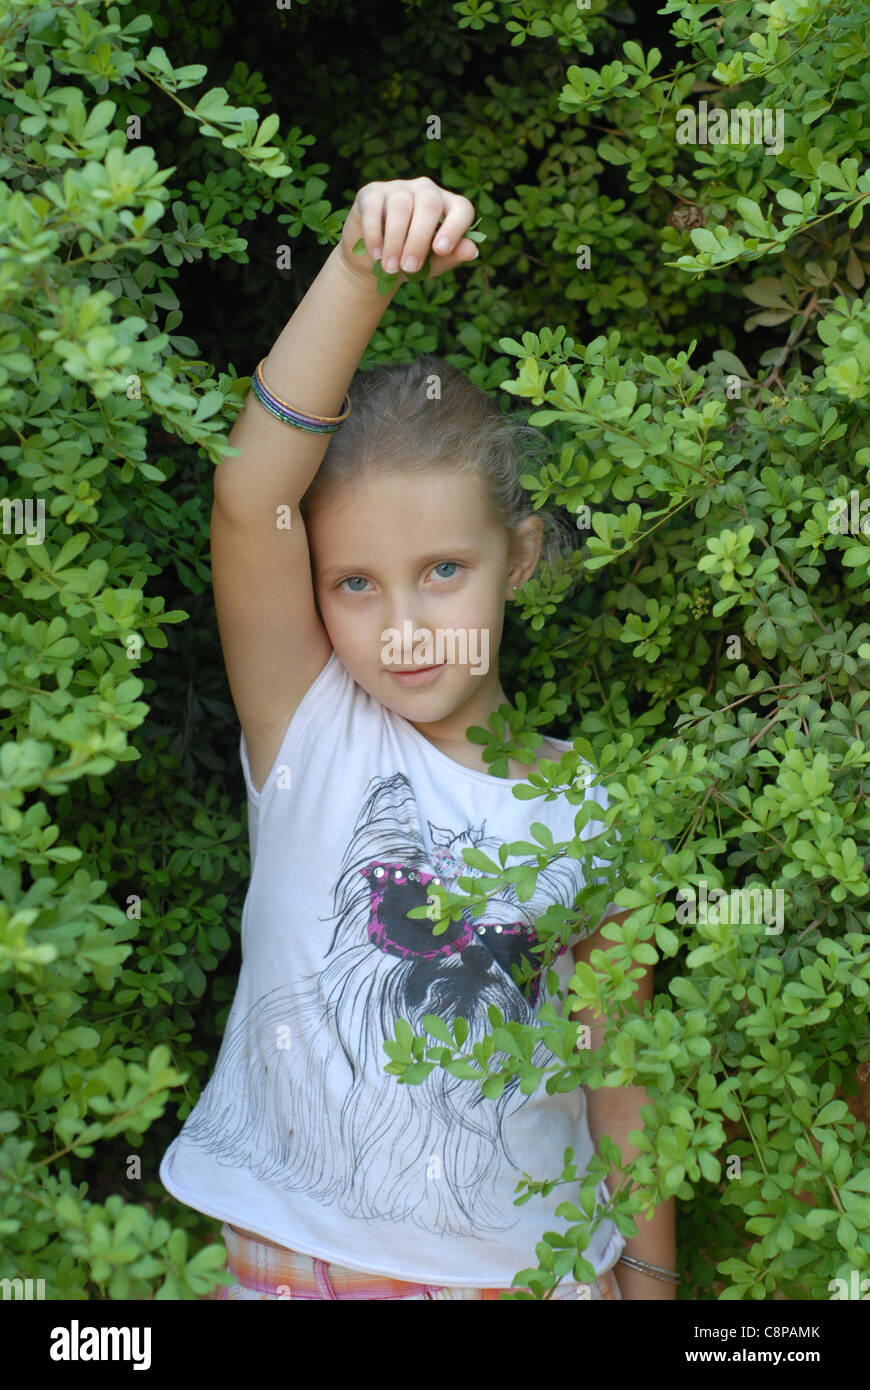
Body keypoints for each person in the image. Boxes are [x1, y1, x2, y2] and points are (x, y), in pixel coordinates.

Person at [158, 176, 677, 1301]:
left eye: (443, 570)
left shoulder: (589, 804)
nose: (401, 629)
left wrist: (648, 1276)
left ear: (521, 557)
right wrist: (357, 269)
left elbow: (619, 1068)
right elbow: (252, 497)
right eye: (354, 583)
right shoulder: (310, 724)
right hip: (297, 1260)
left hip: (528, 1276)